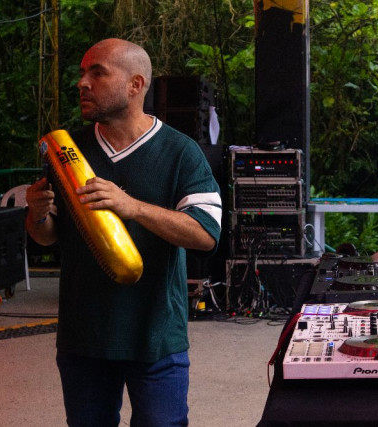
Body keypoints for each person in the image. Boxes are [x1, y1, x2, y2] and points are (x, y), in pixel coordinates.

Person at [25, 38, 222, 426]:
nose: (82, 83)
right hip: (83, 337)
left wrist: (132, 207)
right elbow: (47, 237)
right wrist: (37, 214)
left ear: (136, 85)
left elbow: (206, 234)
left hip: (155, 337)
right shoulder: (68, 151)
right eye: (82, 73)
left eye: (97, 73)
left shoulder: (180, 152)